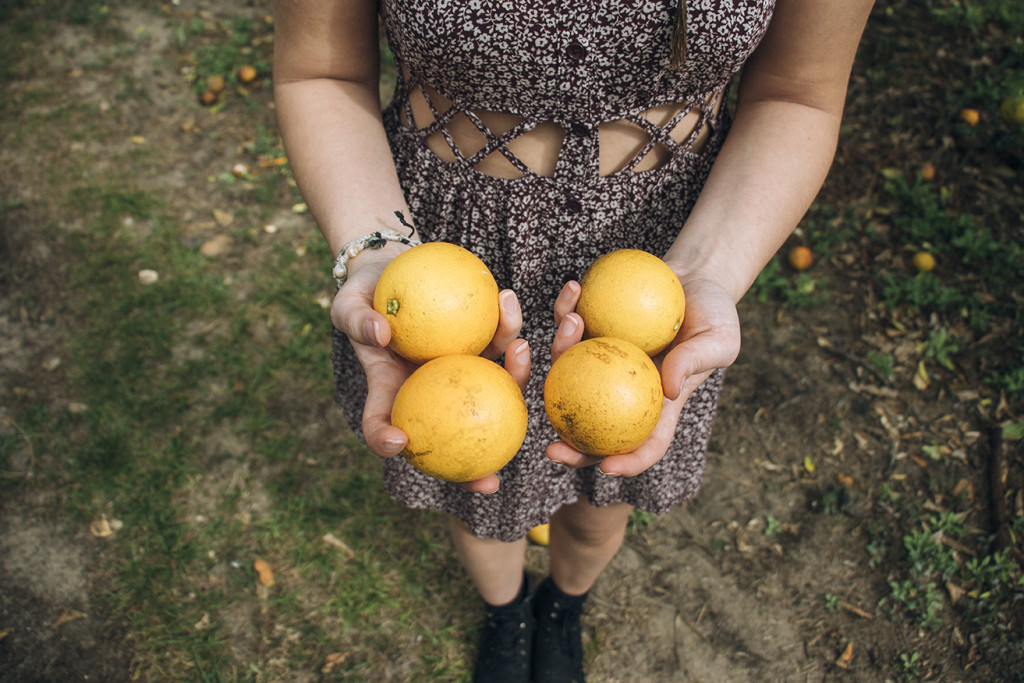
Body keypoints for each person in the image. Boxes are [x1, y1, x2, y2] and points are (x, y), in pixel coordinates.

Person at [272, 1, 874, 680]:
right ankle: (503, 610)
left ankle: (564, 604)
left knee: (603, 487)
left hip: (661, 265)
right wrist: (376, 249)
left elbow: (798, 92)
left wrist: (709, 272)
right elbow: (321, 69)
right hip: (450, 259)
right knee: (474, 476)